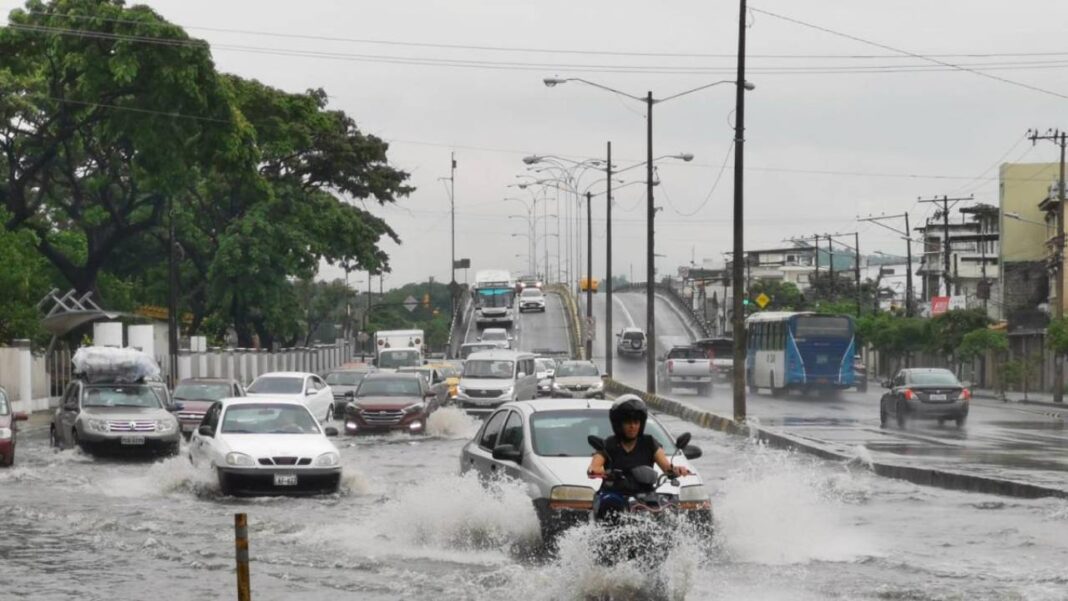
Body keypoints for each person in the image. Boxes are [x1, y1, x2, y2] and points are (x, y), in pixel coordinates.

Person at [587, 395, 691, 494]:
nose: (632, 426)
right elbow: (594, 467)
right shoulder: (609, 444)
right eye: (628, 422)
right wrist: (604, 473)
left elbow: (667, 467)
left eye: (636, 422)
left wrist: (677, 470)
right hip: (613, 496)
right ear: (619, 424)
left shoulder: (649, 443)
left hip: (643, 497)